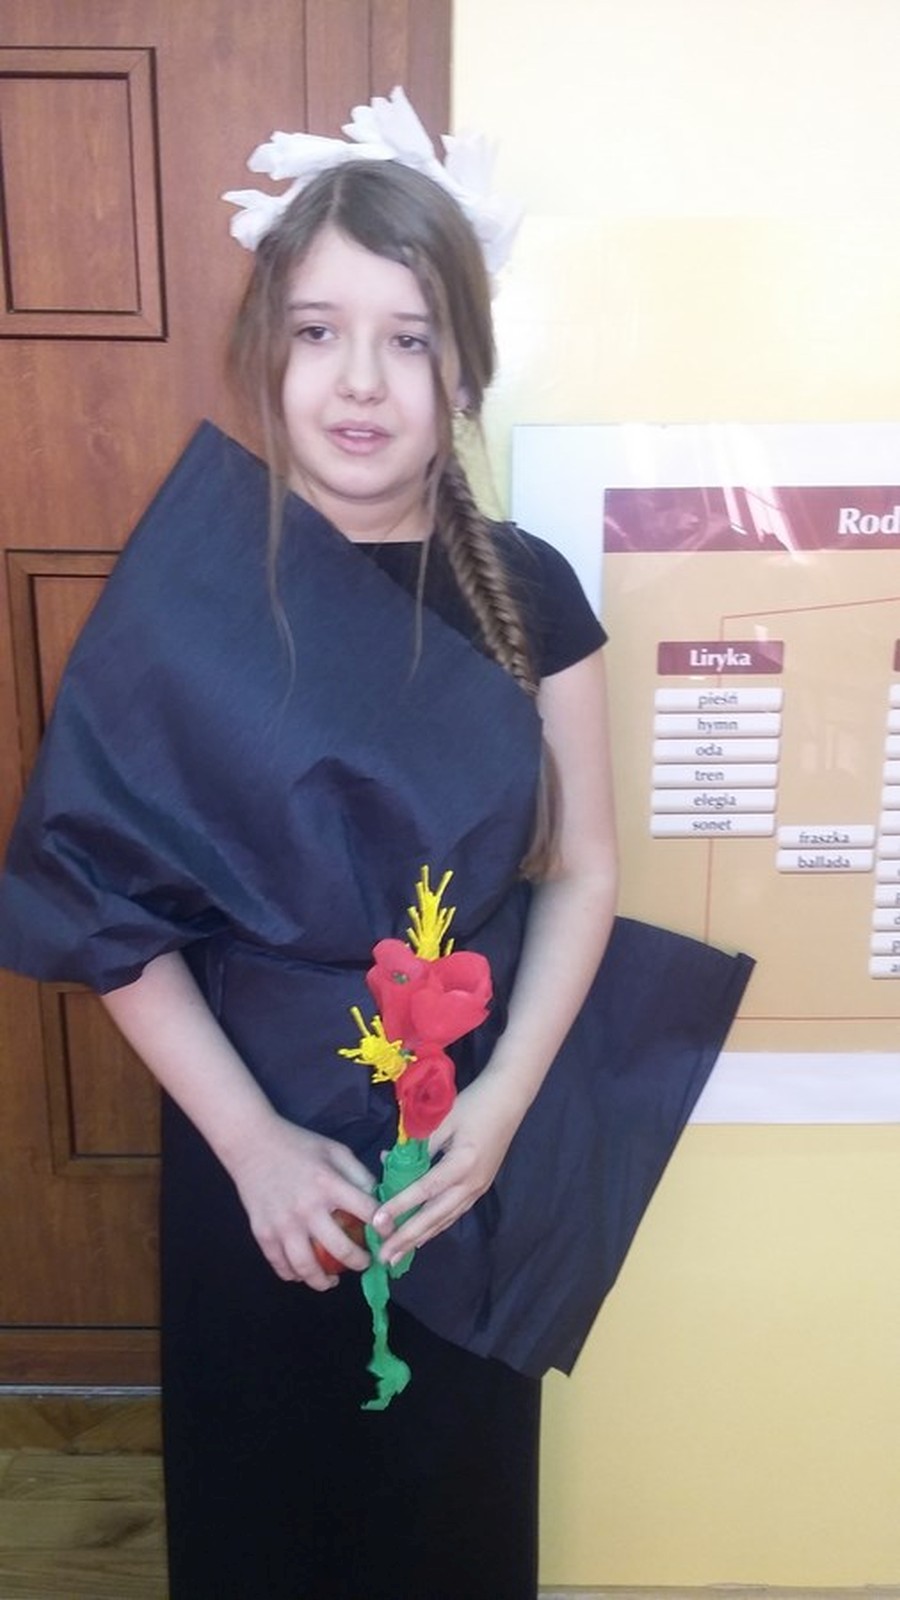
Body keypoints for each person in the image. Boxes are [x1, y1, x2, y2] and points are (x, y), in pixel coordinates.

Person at [0, 97, 751, 1600]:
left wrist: (501, 1112)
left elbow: (583, 870)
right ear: (265, 352)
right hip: (251, 1125)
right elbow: (101, 902)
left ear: (464, 366)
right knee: (267, 1500)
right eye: (319, 332)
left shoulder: (531, 589)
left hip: (469, 1132)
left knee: (448, 1502)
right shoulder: (198, 590)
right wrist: (254, 1147)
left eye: (409, 339)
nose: (360, 380)